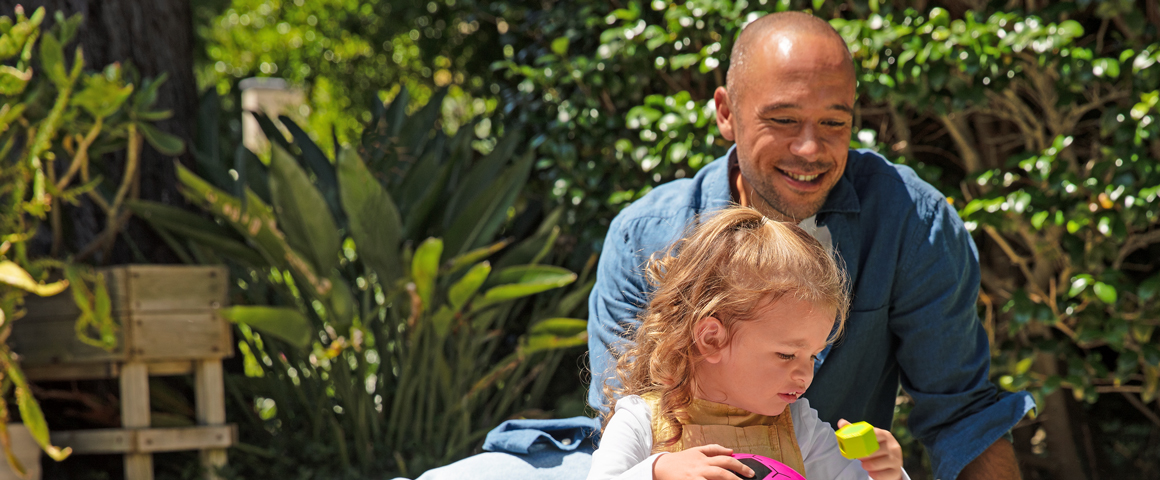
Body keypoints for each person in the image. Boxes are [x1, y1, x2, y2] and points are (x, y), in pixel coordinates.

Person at [408, 10, 1033, 480]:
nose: (811, 150)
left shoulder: (911, 221)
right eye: (783, 121)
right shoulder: (645, 233)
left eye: (835, 124)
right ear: (726, 112)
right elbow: (625, 416)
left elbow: (964, 412)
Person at [588, 207, 908, 480]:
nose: (805, 375)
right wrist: (657, 469)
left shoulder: (799, 426)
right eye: (786, 354)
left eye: (813, 355)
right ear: (712, 339)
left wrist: (887, 472)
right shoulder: (643, 421)